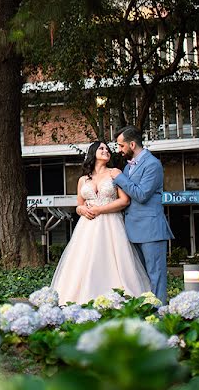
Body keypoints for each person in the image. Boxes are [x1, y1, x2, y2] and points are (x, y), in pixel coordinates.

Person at [50, 140, 151, 305]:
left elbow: (124, 201)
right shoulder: (83, 180)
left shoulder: (114, 173)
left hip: (111, 224)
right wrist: (81, 210)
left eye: (107, 149)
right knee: (85, 261)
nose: (106, 151)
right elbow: (79, 205)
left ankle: (117, 298)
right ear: (93, 153)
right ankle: (79, 299)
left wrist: (100, 210)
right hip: (87, 227)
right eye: (101, 148)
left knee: (112, 260)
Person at [109, 125, 174, 303]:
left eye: (121, 146)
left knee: (156, 276)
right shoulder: (128, 167)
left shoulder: (152, 164)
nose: (119, 150)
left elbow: (142, 195)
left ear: (132, 144)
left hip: (151, 229)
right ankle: (145, 310)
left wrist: (119, 178)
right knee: (140, 276)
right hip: (131, 229)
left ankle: (159, 314)